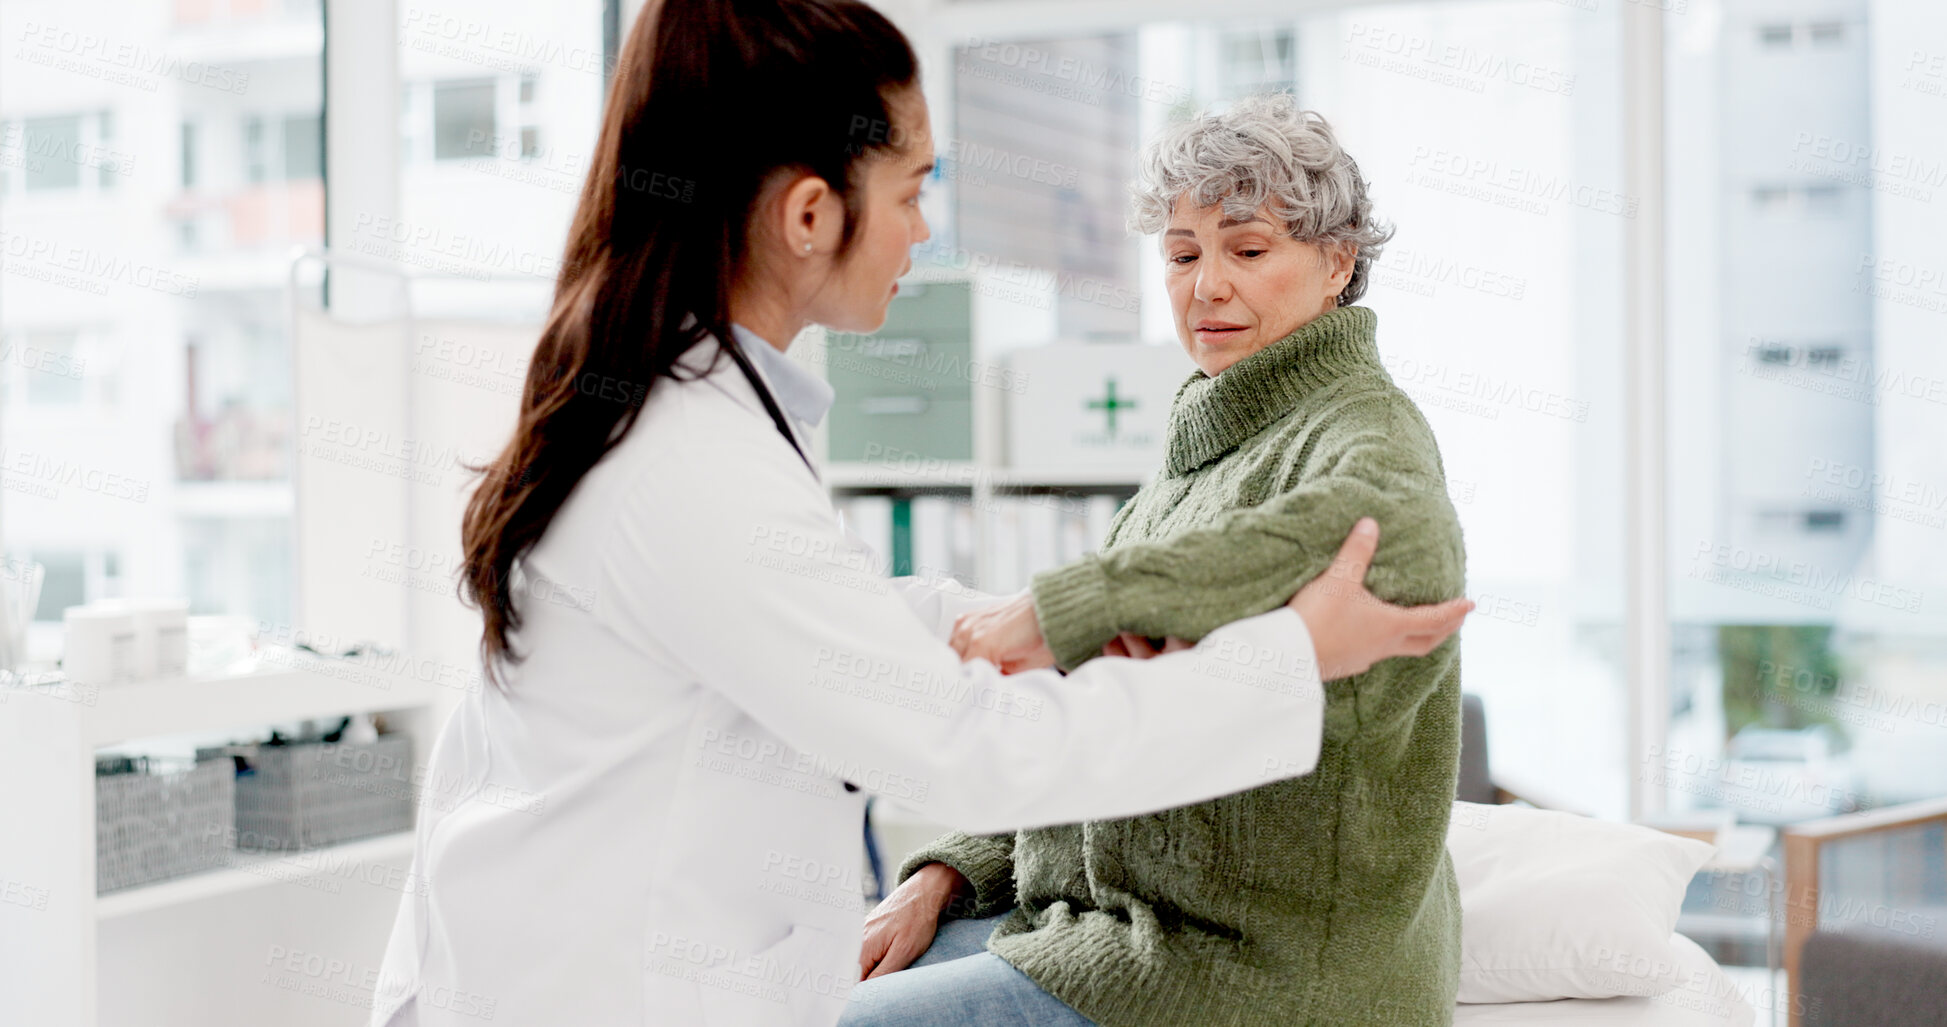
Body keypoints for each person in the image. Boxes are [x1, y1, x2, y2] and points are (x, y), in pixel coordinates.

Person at [369, 5, 1472, 1025]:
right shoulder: (690, 461)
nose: (924, 228)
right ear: (812, 214)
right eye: (910, 190)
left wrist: (1035, 623)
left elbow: (817, 623)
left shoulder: (690, 416)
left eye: (1248, 251)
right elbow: (954, 742)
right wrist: (1280, 658)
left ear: (1335, 264)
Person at [847, 96, 1470, 1027]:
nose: (1206, 286)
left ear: (1337, 262)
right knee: (816, 979)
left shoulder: (1366, 433)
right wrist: (947, 870)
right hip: (1110, 920)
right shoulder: (1203, 443)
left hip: (1258, 965)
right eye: (1182, 255)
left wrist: (1067, 604)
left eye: (1247, 250)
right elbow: (1100, 713)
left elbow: (1387, 530)